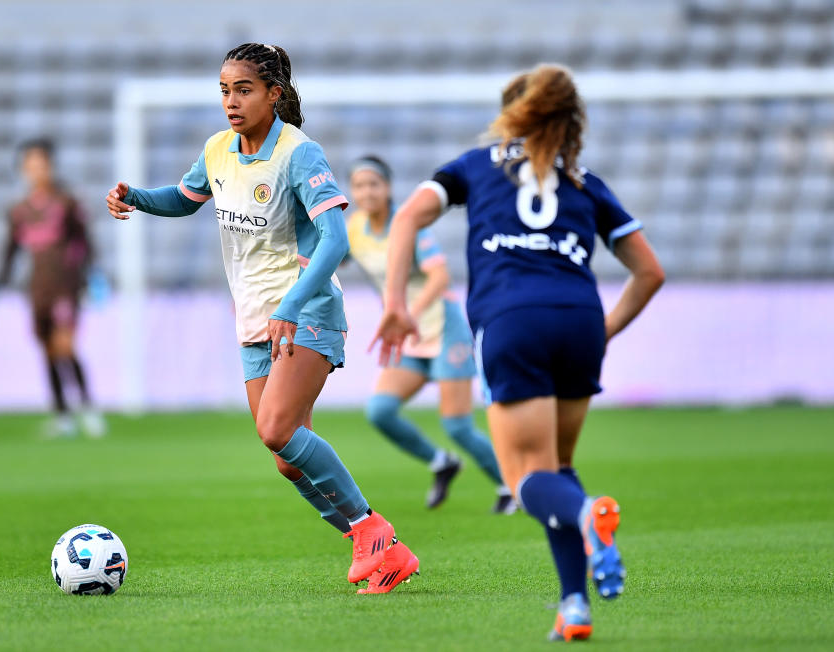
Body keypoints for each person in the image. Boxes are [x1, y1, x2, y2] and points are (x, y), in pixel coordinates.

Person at [105, 43, 418, 594]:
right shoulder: (219, 150)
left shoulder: (299, 154)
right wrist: (138, 198)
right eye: (224, 90)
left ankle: (372, 530)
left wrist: (293, 303)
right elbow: (185, 197)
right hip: (254, 320)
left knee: (277, 429)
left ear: (274, 93)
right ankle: (385, 553)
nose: (231, 101)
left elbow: (335, 238)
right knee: (286, 458)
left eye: (243, 90)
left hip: (306, 311)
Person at [374, 64, 665, 639]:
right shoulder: (586, 182)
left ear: (511, 113)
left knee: (527, 477)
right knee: (556, 466)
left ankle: (587, 514)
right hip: (580, 319)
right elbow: (649, 273)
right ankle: (574, 606)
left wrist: (394, 302)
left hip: (513, 320)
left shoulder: (475, 166)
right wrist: (601, 332)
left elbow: (407, 216)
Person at [345, 155, 514, 513]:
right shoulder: (355, 227)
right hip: (407, 336)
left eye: (374, 183)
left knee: (458, 426)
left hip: (442, 329)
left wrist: (409, 314)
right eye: (359, 185)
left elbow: (440, 277)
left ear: (388, 188)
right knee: (380, 411)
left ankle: (511, 486)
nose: (366, 191)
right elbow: (329, 257)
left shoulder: (410, 226)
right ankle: (442, 463)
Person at [0, 138, 106, 438]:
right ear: (23, 170)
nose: (36, 170)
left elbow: (86, 242)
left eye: (41, 164)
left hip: (66, 285)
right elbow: (10, 250)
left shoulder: (67, 203)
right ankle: (62, 415)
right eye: (31, 165)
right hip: (38, 289)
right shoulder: (19, 211)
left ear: (50, 166)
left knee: (66, 346)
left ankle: (89, 410)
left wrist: (94, 275)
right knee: (49, 351)